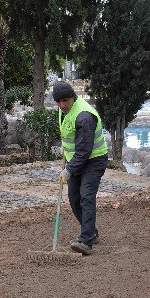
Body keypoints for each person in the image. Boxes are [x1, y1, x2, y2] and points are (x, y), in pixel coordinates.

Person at [53, 81, 108, 256]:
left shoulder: (84, 116)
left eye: (65, 101)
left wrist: (69, 170)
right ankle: (91, 232)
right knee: (74, 198)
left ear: (73, 98)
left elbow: (85, 150)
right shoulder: (64, 111)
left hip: (94, 160)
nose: (62, 105)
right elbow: (69, 135)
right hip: (76, 160)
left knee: (86, 196)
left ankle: (86, 241)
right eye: (59, 102)